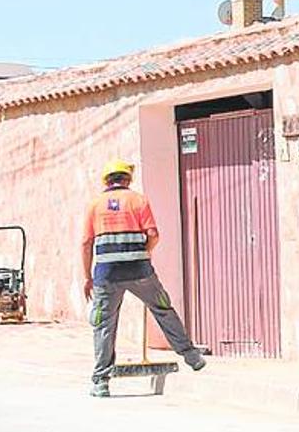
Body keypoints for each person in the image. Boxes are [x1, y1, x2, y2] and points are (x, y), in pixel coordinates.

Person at [81, 159, 206, 397]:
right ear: (127, 180)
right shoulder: (138, 200)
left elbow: (86, 243)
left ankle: (100, 381)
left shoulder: (95, 204)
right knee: (163, 309)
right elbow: (153, 234)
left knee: (104, 324)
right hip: (140, 272)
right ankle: (191, 356)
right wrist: (144, 253)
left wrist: (87, 277)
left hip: (106, 275)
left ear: (106, 181)